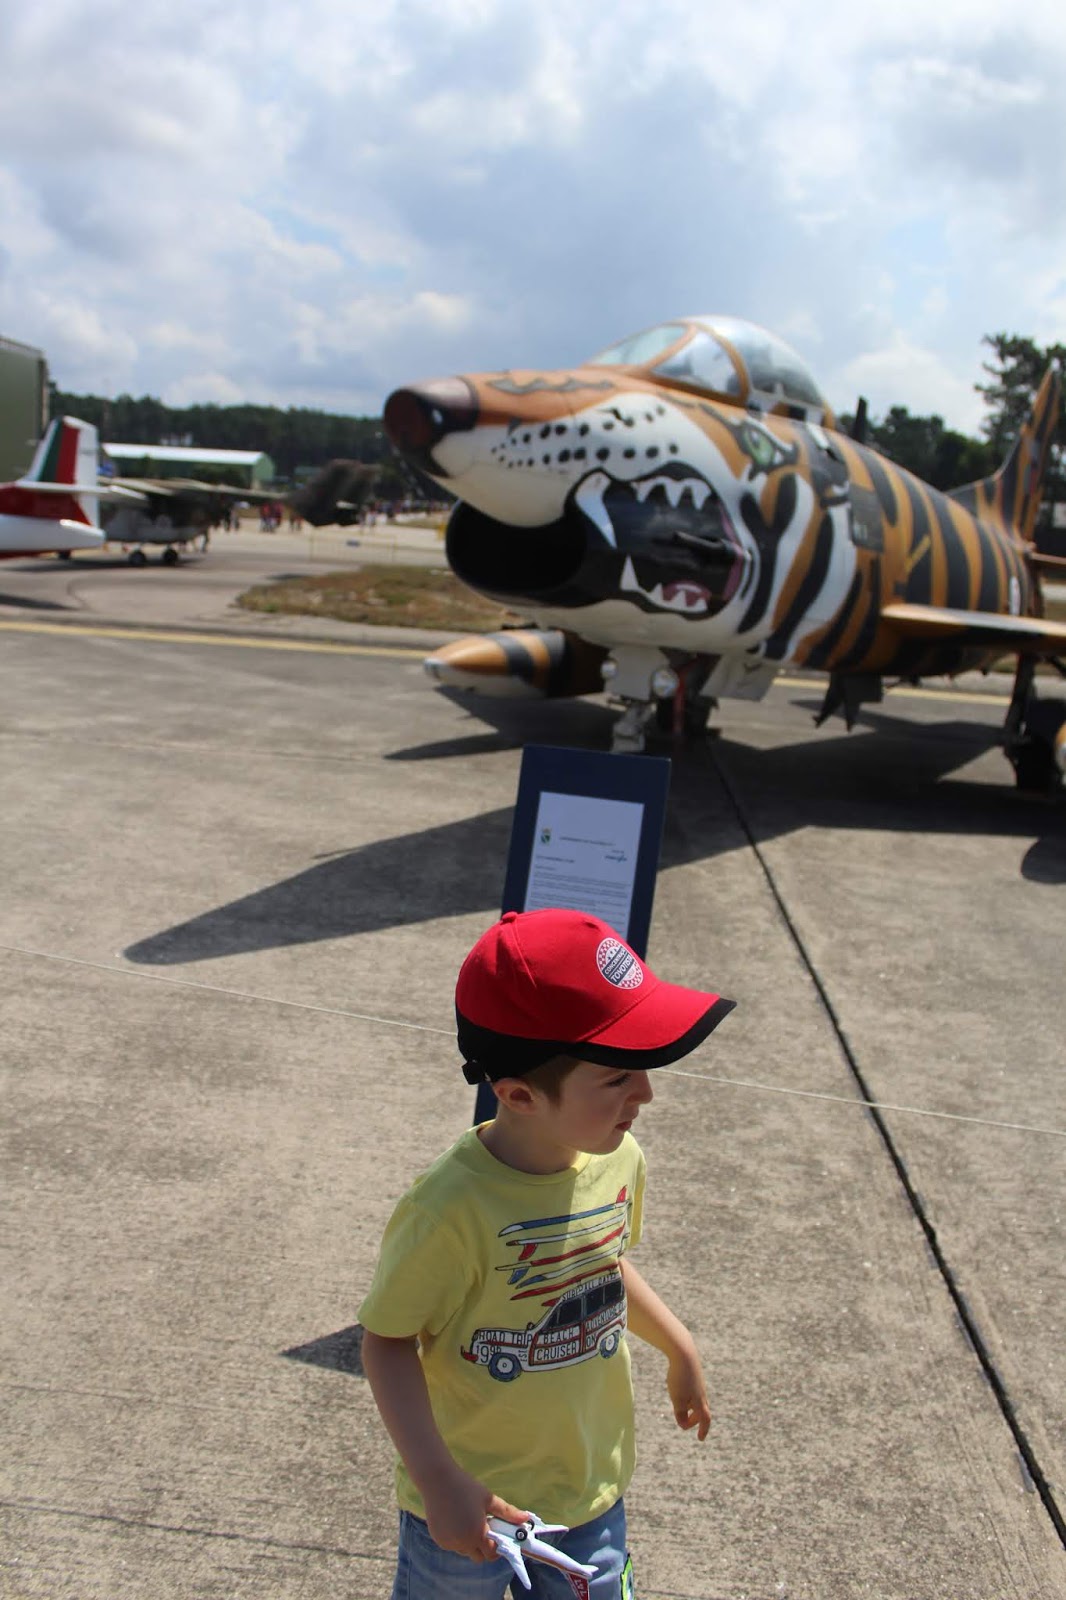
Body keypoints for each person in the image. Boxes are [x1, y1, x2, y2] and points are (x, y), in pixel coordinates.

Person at [358, 907, 735, 1599]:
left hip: (588, 1492)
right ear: (519, 1095)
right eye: (617, 1078)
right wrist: (439, 1482)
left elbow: (601, 1265)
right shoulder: (449, 1210)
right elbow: (386, 1342)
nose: (646, 1093)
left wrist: (678, 1344)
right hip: (469, 1505)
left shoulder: (619, 1158)